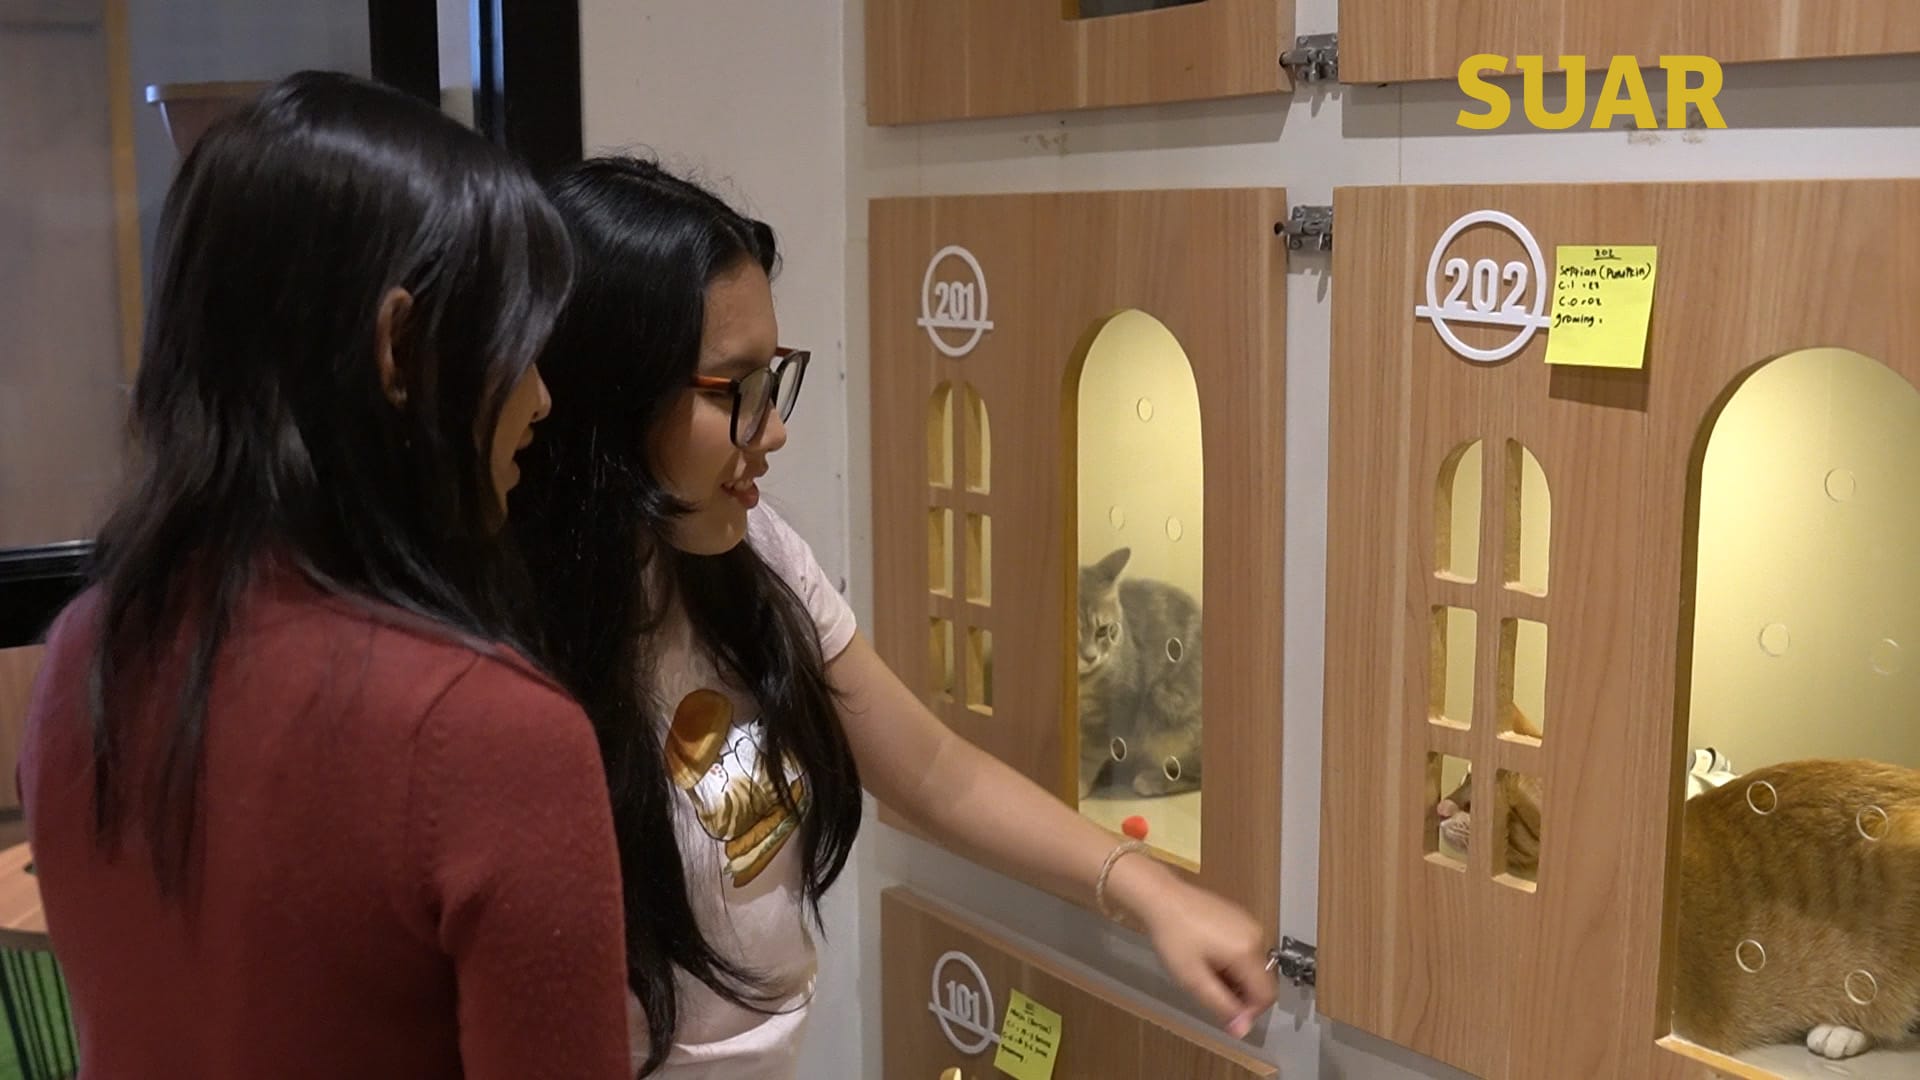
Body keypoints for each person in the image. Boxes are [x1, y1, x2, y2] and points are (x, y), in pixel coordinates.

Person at [511, 156, 1277, 1078]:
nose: (774, 430)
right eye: (733, 390)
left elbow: (934, 772)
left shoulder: (755, 556)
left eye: (772, 379)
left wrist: (1151, 894)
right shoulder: (506, 654)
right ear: (605, 392)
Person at [18, 71, 631, 1079]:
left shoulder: (87, 649)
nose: (541, 399)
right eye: (518, 347)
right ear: (399, 346)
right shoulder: (491, 734)